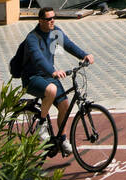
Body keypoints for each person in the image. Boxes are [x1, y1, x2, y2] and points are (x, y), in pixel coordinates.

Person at [18, 8, 95, 155]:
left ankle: (62, 139)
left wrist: (84, 55)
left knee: (65, 105)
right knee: (51, 90)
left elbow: (68, 44)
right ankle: (41, 124)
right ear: (40, 21)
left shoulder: (55, 32)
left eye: (54, 18)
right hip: (32, 78)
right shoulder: (32, 38)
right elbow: (38, 58)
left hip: (49, 76)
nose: (52, 21)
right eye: (48, 19)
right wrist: (53, 71)